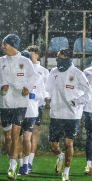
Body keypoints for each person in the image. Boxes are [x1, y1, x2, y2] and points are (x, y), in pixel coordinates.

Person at [0, 34, 38, 180]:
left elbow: (33, 77)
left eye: (5, 44)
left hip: (20, 103)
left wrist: (27, 87)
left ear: (13, 45)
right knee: (8, 137)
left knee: (16, 135)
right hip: (5, 103)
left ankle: (12, 167)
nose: (2, 46)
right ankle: (12, 159)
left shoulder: (25, 61)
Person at [45, 48, 92, 181]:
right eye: (57, 58)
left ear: (68, 59)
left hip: (72, 115)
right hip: (56, 113)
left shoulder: (77, 74)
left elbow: (89, 93)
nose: (57, 60)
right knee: (53, 146)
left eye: (60, 58)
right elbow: (47, 89)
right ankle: (60, 155)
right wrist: (47, 97)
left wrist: (76, 101)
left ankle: (66, 172)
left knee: (68, 143)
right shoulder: (53, 72)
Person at [17, 50, 46, 176]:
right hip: (17, 110)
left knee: (26, 138)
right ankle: (19, 164)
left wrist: (33, 95)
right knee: (17, 139)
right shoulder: (16, 75)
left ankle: (26, 164)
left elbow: (43, 95)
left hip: (31, 111)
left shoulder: (38, 76)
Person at [26, 44, 50, 172]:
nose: (29, 58)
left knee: (33, 132)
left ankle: (30, 162)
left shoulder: (44, 71)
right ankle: (22, 161)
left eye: (31, 55)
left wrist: (41, 99)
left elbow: (46, 90)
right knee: (22, 135)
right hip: (23, 105)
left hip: (37, 106)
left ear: (37, 56)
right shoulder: (24, 69)